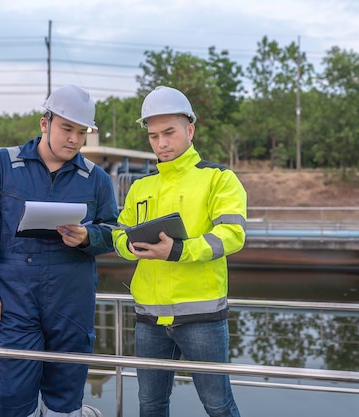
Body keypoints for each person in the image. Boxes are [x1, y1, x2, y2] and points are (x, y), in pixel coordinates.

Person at [0, 84, 118, 417]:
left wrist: (88, 237)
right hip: (15, 303)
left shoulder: (96, 179)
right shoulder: (2, 166)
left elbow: (114, 233)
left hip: (71, 304)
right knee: (14, 397)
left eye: (82, 132)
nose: (74, 139)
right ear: (44, 123)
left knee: (65, 398)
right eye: (67, 128)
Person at [112, 86, 247, 417]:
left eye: (169, 133)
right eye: (154, 136)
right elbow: (118, 232)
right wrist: (129, 245)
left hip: (201, 317)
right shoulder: (140, 187)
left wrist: (178, 250)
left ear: (190, 129)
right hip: (149, 318)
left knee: (218, 404)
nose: (161, 143)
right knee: (150, 405)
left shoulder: (219, 179)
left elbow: (232, 235)